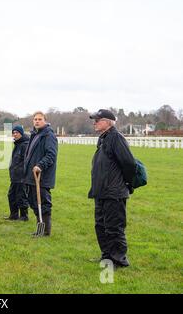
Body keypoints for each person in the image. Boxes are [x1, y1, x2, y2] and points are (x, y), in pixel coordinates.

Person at [88, 109, 136, 268]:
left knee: (114, 228)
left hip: (114, 192)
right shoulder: (103, 138)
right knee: (100, 226)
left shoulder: (116, 138)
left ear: (108, 122)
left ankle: (119, 260)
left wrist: (127, 184)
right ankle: (107, 256)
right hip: (101, 192)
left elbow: (129, 164)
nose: (94, 122)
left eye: (98, 120)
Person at [23, 111, 58, 236]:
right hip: (31, 175)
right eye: (35, 119)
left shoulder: (48, 135)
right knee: (33, 202)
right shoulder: (34, 134)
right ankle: (40, 228)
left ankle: (46, 231)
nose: (37, 121)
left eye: (39, 119)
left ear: (45, 120)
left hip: (42, 176)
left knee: (43, 203)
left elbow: (51, 155)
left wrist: (40, 165)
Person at [5, 125, 30, 221]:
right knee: (11, 195)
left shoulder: (25, 145)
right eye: (13, 133)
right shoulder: (18, 144)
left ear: (21, 133)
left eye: (17, 133)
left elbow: (26, 161)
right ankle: (14, 215)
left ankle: (24, 216)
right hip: (15, 176)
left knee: (21, 196)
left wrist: (20, 171)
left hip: (21, 176)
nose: (15, 134)